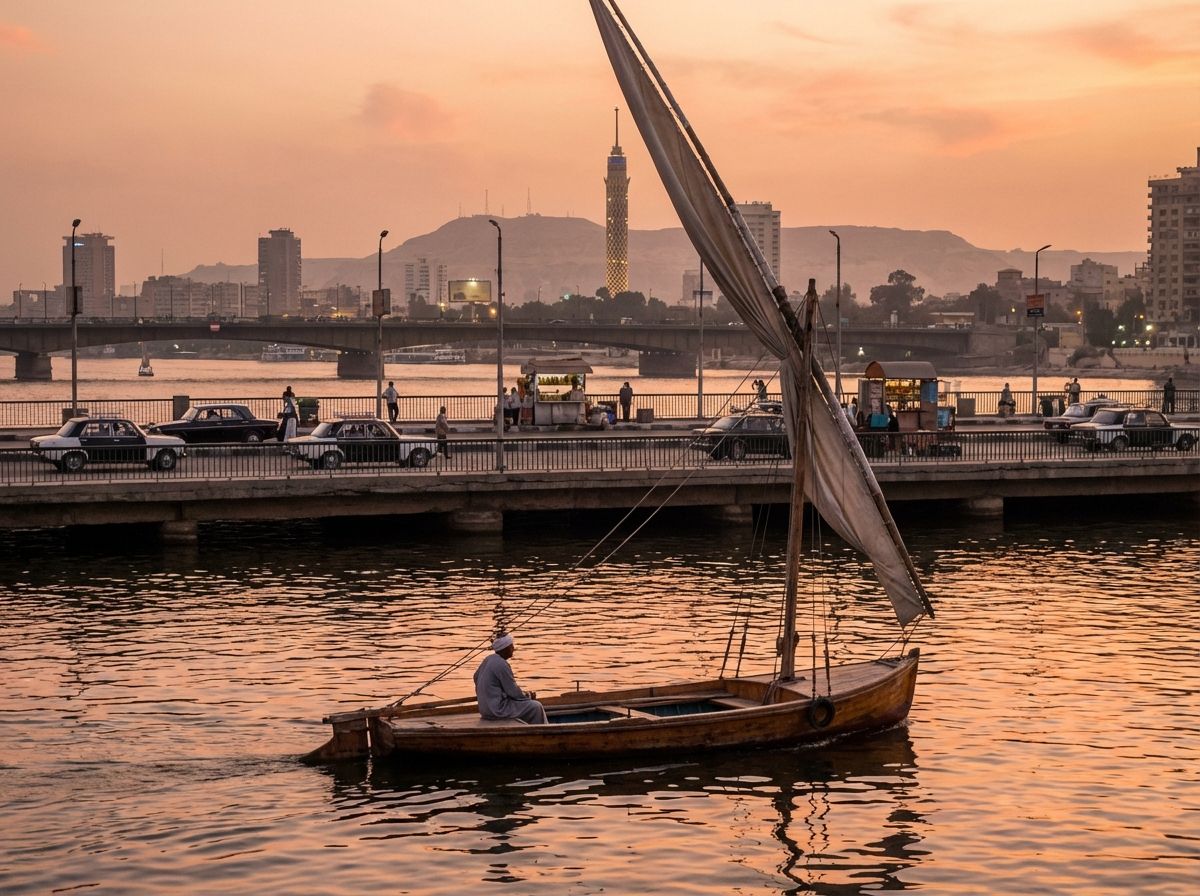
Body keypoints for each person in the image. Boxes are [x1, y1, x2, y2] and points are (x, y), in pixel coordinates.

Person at [474, 633, 547, 725]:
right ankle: (541, 733)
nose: (513, 649)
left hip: (485, 710)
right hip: (497, 710)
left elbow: (475, 677)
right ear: (505, 648)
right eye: (511, 646)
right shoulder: (501, 664)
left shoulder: (488, 659)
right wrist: (528, 696)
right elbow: (513, 691)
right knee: (536, 706)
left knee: (525, 703)